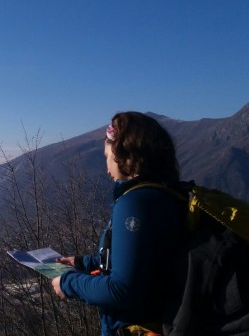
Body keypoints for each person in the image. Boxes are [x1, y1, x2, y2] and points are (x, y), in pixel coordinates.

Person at [52, 111, 188, 336]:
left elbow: (122, 289)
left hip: (139, 328)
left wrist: (68, 283)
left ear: (122, 155)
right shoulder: (168, 194)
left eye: (106, 156)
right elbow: (141, 261)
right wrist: (83, 262)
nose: (106, 169)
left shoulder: (136, 202)